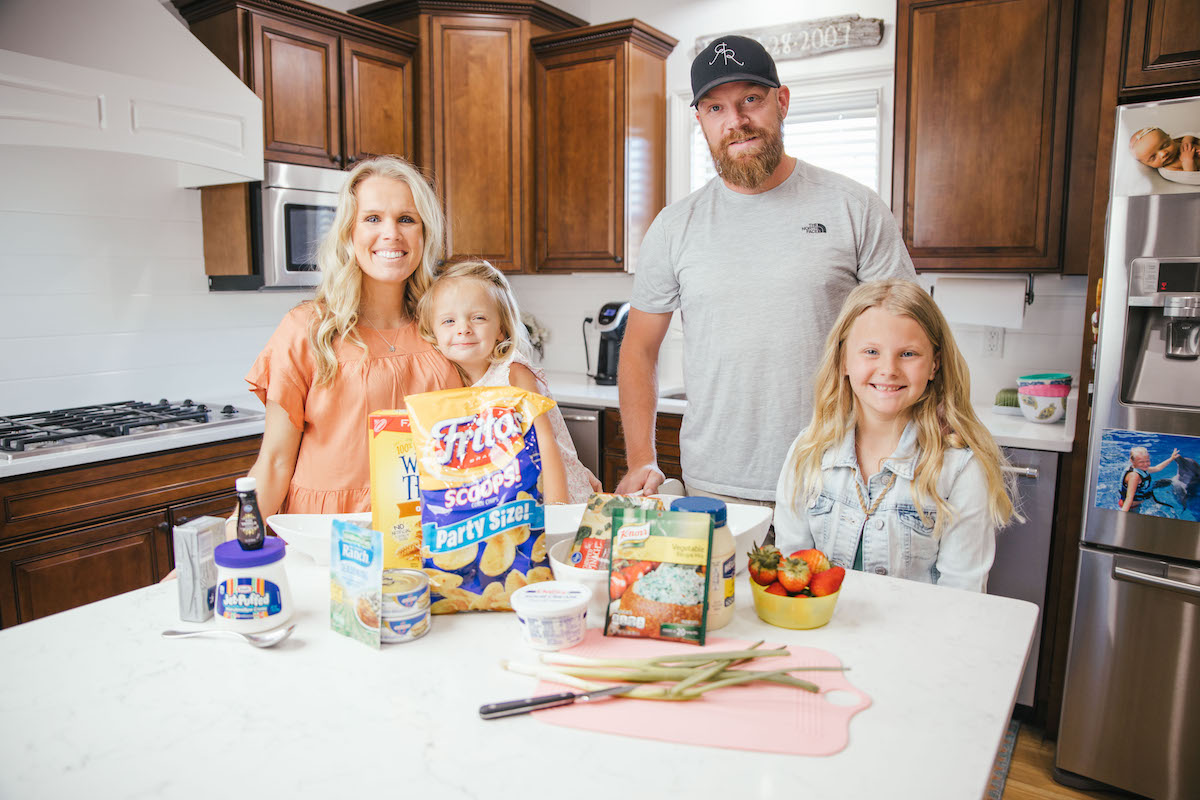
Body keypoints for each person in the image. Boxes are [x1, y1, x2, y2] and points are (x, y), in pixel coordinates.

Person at [616, 34, 916, 507]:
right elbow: (638, 349)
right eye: (715, 108)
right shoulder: (674, 226)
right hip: (715, 483)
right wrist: (641, 459)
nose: (735, 121)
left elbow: (909, 337)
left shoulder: (853, 207)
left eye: (750, 100)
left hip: (837, 478)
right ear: (700, 121)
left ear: (782, 102)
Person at [243, 155, 462, 521]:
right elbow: (276, 461)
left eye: (406, 219)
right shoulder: (308, 330)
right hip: (329, 531)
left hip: (429, 526)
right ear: (349, 233)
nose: (391, 233)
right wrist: (226, 550)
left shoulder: (446, 328)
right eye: (373, 218)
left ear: (424, 234)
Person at [773, 280, 1016, 592]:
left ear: (934, 365)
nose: (888, 369)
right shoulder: (807, 453)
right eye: (871, 351)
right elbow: (794, 575)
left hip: (917, 639)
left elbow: (962, 596)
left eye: (909, 353)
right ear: (844, 359)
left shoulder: (959, 470)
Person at [416, 259, 602, 504]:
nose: (463, 328)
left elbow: (545, 442)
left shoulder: (513, 373)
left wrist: (557, 507)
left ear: (501, 329)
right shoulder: (453, 383)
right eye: (449, 321)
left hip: (558, 499)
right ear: (433, 333)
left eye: (478, 318)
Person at [1118, 446, 1180, 512]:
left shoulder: (1140, 469)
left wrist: (1171, 458)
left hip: (1136, 503)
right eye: (1141, 462)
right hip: (1131, 507)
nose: (1145, 464)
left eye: (1147, 461)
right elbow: (1129, 498)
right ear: (1132, 461)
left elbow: (1157, 468)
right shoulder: (1134, 477)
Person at [1129, 127, 1198, 172]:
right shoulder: (1169, 169)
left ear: (1169, 138)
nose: (1163, 154)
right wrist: (1188, 160)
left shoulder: (1176, 142)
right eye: (1153, 157)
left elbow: (1189, 134)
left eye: (1165, 145)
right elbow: (1191, 177)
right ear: (1146, 164)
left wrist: (1186, 141)